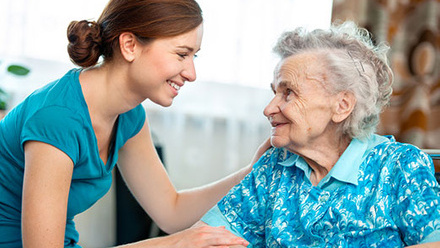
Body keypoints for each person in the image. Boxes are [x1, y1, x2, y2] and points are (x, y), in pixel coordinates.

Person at [0, 0, 270, 247]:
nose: (191, 73)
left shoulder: (129, 116)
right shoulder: (58, 118)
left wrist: (252, 172)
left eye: (194, 56)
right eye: (181, 54)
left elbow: (171, 211)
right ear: (130, 46)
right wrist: (174, 243)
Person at [198, 21, 440, 247]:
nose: (269, 109)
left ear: (342, 106)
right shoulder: (274, 167)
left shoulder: (399, 166)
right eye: (274, 92)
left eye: (288, 93)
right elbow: (208, 239)